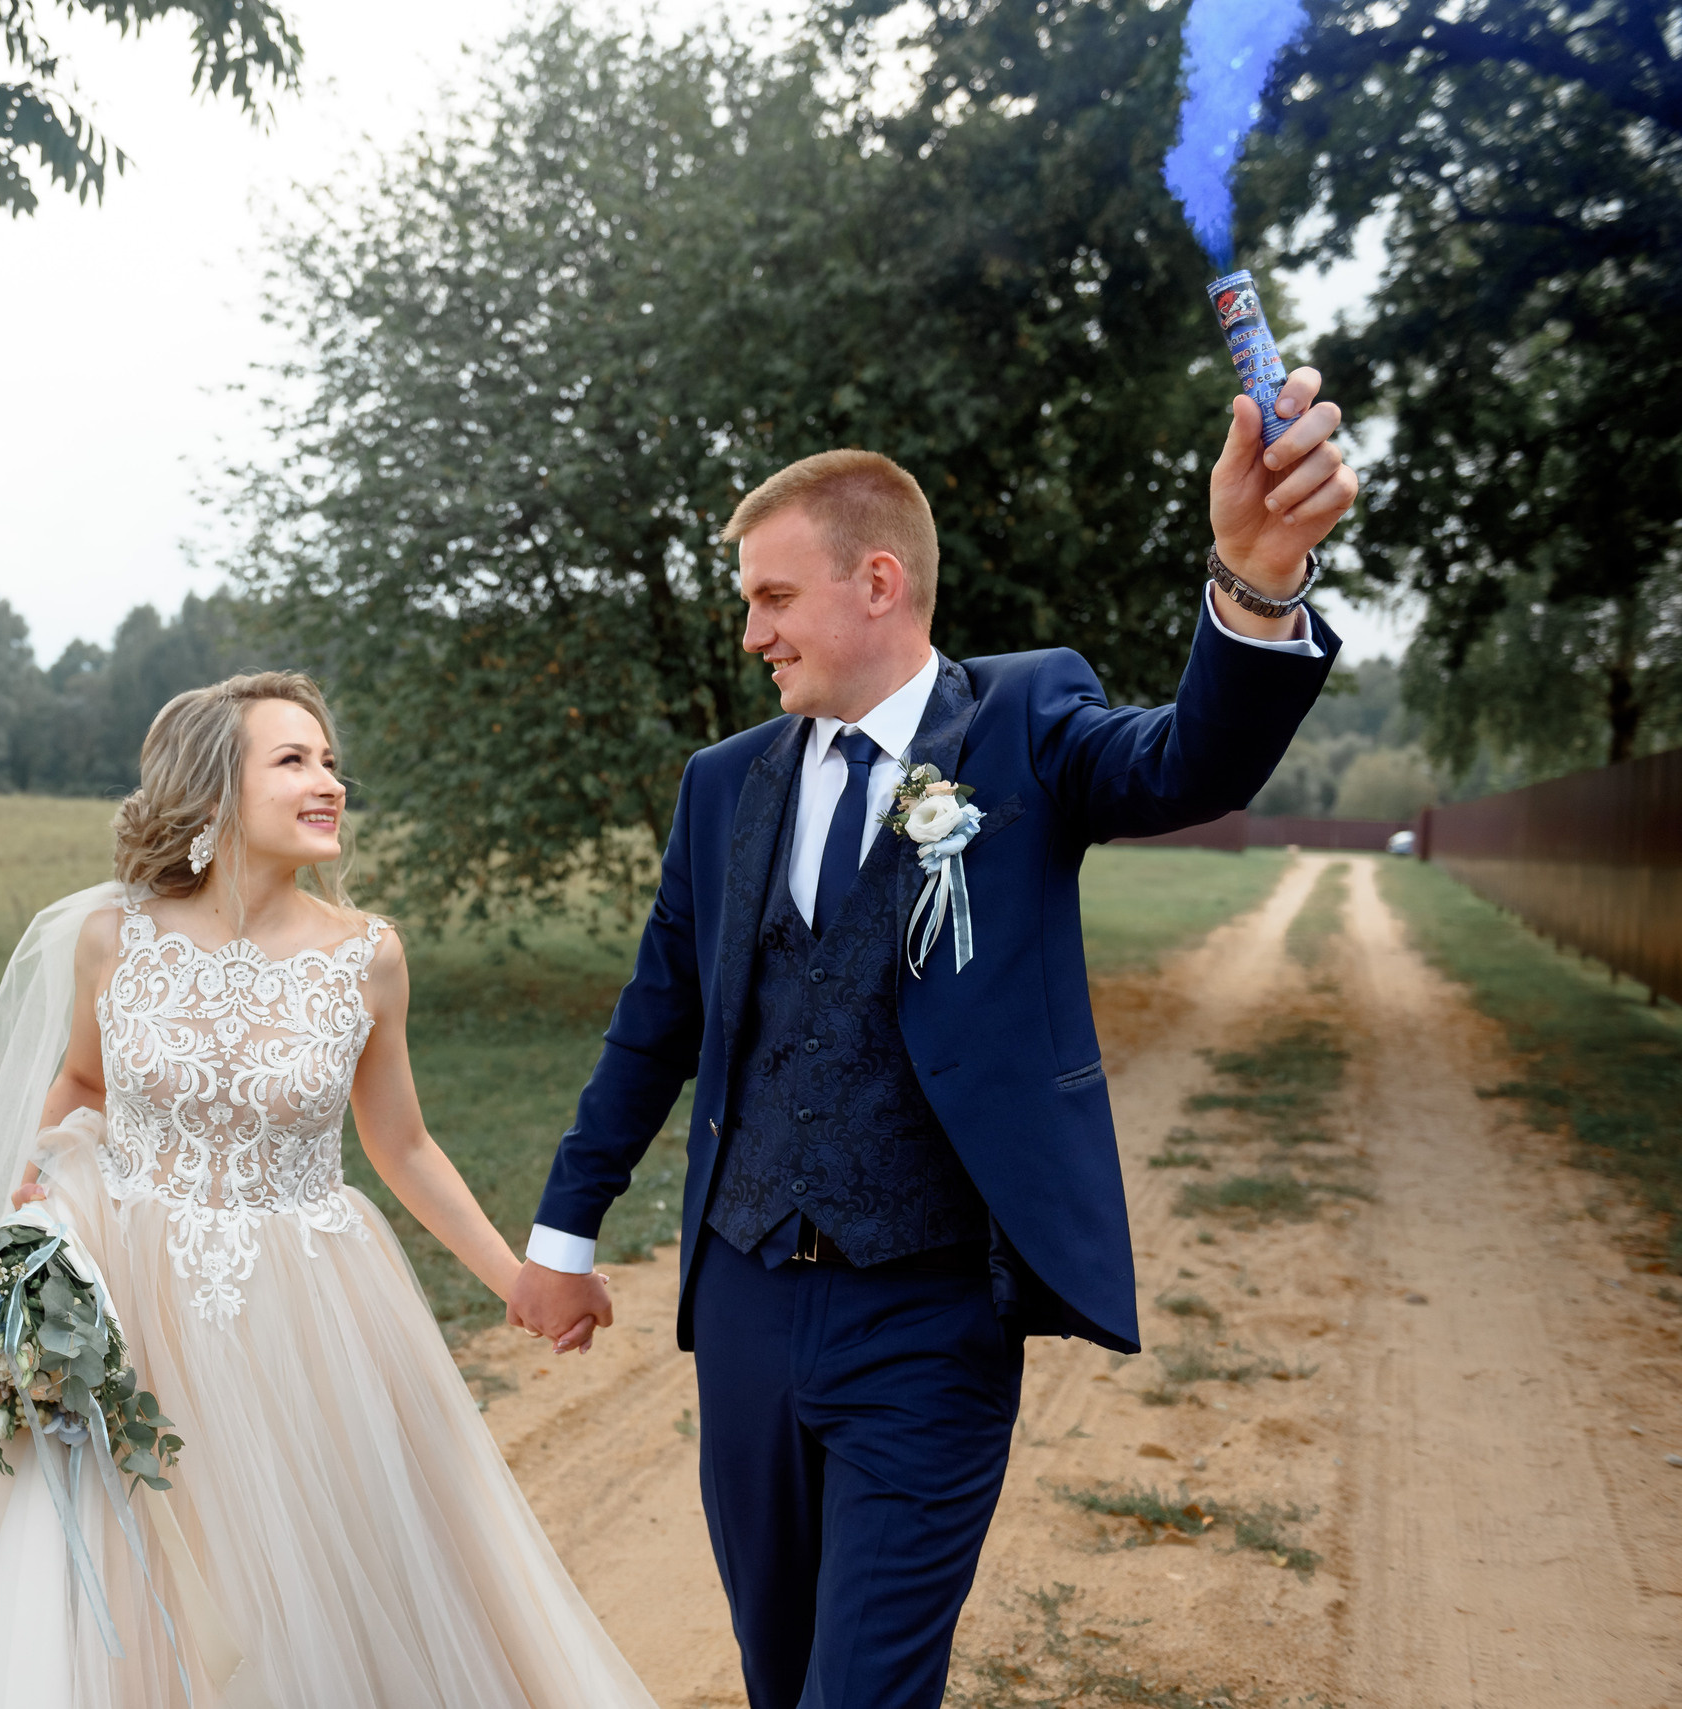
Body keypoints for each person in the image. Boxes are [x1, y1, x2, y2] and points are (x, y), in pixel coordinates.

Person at [506, 373, 1359, 1709]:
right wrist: (564, 1235)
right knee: (781, 1674)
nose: (749, 633)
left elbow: (1189, 762)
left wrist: (1253, 581)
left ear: (877, 583)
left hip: (930, 1314)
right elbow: (655, 1016)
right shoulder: (722, 783)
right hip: (741, 1304)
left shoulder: (1022, 722)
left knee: (866, 1689)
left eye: (771, 598)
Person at [0, 671, 657, 1709]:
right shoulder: (115, 935)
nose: (327, 780)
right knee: (118, 1575)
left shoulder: (367, 957)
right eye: (293, 760)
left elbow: (405, 1143)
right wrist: (30, 1215)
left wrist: (516, 1278)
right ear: (210, 793)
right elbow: (81, 1081)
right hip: (126, 1291)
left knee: (308, 1572)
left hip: (307, 1303)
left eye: (329, 760)